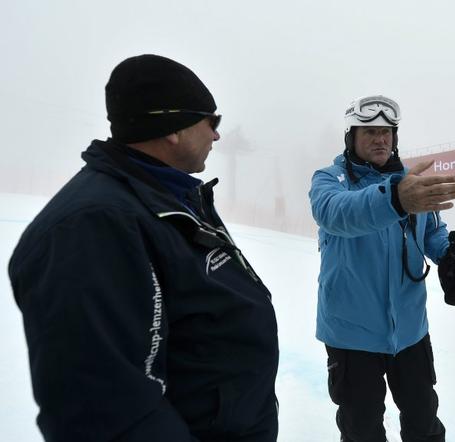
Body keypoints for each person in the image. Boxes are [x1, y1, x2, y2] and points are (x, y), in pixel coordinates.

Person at [8, 54, 279, 441]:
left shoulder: (167, 199)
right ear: (172, 128)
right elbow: (104, 410)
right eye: (209, 121)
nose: (216, 135)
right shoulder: (91, 228)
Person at [309, 95, 455, 441]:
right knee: (362, 430)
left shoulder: (409, 184)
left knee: (424, 424)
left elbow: (431, 230)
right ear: (351, 137)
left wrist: (452, 259)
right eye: (370, 131)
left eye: (387, 131)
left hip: (410, 332)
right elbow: (337, 214)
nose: (380, 139)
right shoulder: (330, 181)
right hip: (351, 335)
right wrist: (395, 199)